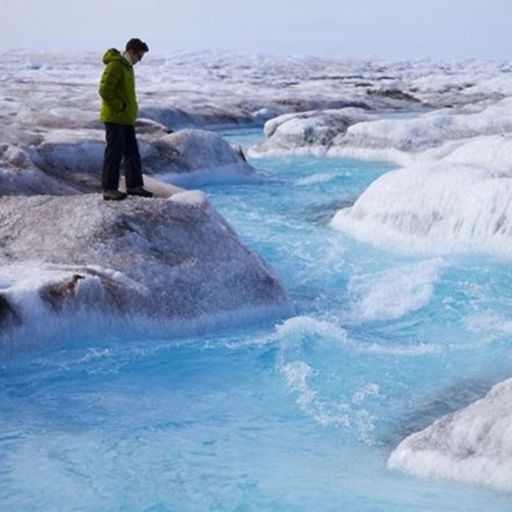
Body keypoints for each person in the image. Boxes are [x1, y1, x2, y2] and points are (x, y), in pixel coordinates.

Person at [99, 38, 153, 200]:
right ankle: (109, 189)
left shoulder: (127, 67)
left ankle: (134, 186)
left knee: (132, 153)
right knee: (113, 153)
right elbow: (105, 90)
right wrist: (120, 106)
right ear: (131, 52)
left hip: (126, 118)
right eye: (139, 56)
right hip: (115, 117)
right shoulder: (115, 65)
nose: (140, 60)